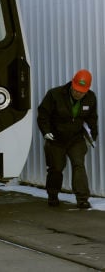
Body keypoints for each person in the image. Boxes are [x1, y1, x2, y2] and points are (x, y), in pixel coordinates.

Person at [37, 69, 98, 209]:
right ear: (72, 84)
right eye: (76, 90)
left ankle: (82, 199)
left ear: (87, 90)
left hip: (76, 139)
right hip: (56, 138)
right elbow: (43, 115)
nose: (78, 94)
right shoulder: (54, 94)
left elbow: (92, 120)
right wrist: (46, 132)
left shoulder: (90, 98)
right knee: (56, 167)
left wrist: (91, 139)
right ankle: (53, 195)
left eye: (82, 91)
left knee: (78, 164)